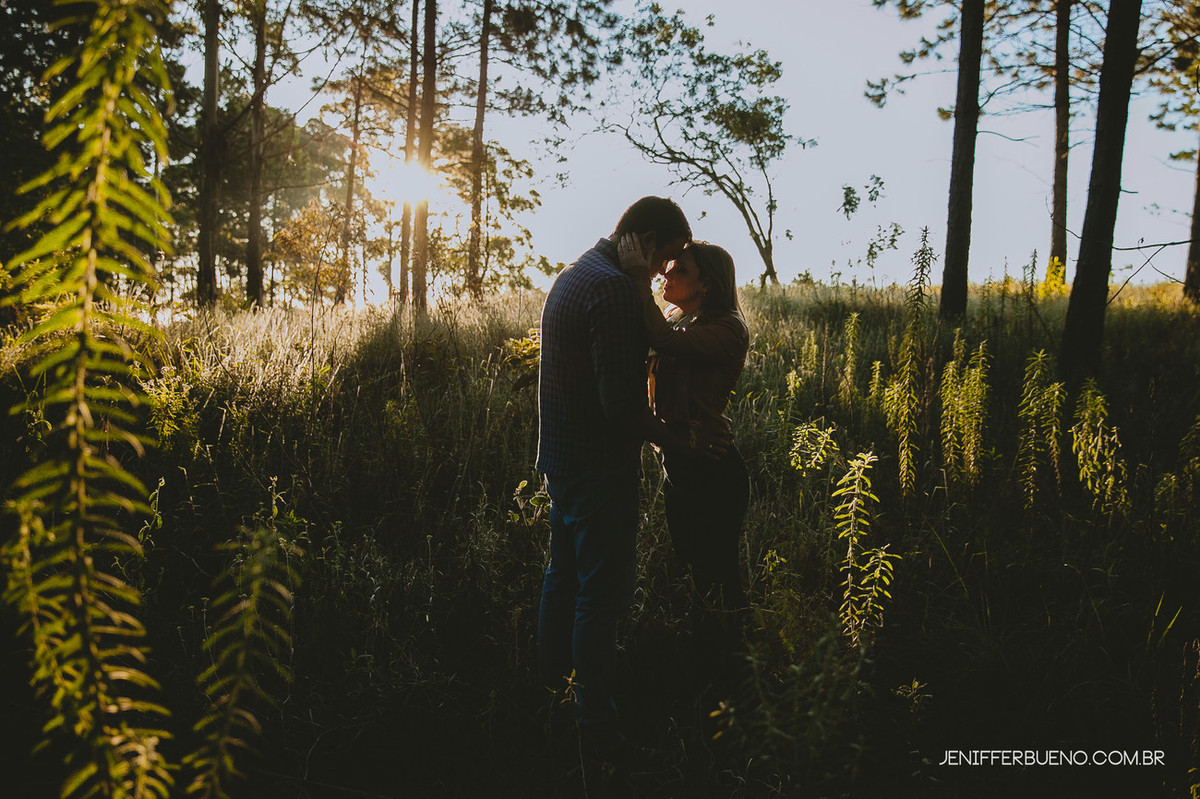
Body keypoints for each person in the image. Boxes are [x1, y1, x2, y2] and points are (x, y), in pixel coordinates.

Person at [535, 196, 727, 764]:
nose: (665, 271)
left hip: (563, 459)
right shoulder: (616, 290)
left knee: (562, 582)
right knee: (601, 598)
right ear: (644, 240)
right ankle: (598, 731)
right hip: (598, 466)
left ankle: (553, 700)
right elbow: (619, 407)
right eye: (665, 257)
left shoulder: (575, 272)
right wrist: (679, 439)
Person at [617, 235, 751, 668]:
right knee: (695, 568)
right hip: (680, 463)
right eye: (666, 268)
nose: (666, 275)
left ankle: (734, 669)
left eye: (680, 270)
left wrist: (640, 275)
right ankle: (710, 662)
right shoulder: (681, 320)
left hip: (713, 468)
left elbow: (665, 342)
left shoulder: (727, 328)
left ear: (706, 284)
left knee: (720, 574)